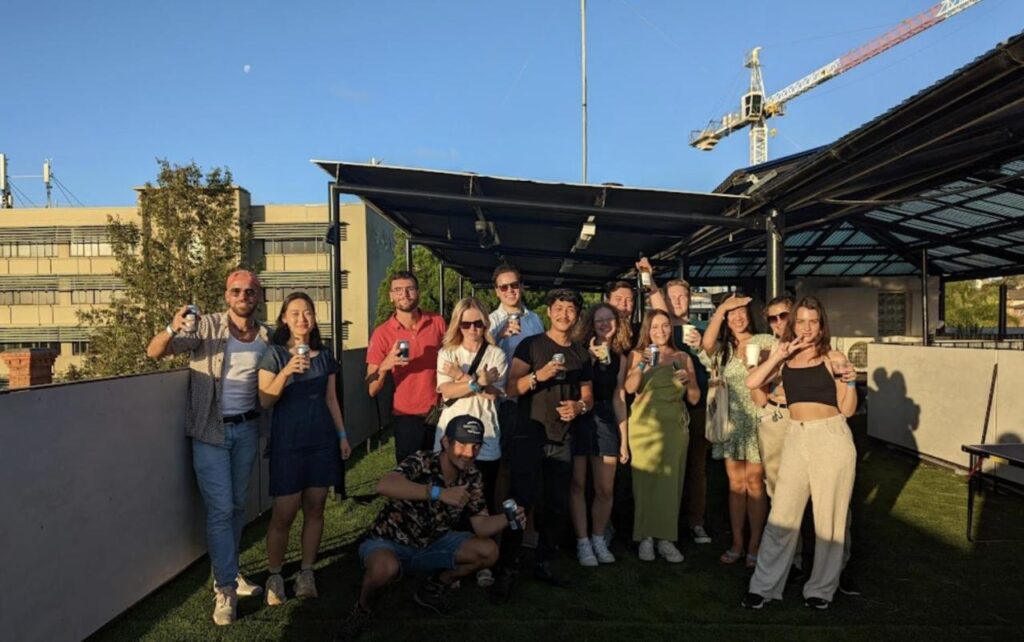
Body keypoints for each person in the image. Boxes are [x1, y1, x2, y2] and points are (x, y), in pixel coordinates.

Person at [144, 269, 270, 625]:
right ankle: (225, 590)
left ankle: (230, 571)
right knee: (221, 509)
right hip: (210, 432)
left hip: (247, 429)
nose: (243, 296)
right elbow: (155, 352)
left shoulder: (266, 335)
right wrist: (171, 327)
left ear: (258, 296)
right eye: (237, 290)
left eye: (250, 291)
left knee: (237, 506)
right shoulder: (206, 326)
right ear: (227, 296)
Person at [336, 416, 526, 640]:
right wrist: (437, 493)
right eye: (462, 444)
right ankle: (363, 608)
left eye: (475, 446)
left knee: (489, 551)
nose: (469, 452)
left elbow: (481, 526)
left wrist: (507, 518)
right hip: (389, 541)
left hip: (433, 543)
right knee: (383, 568)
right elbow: (384, 485)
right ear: (446, 442)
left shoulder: (473, 476)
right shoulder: (423, 460)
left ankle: (432, 589)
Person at [742, 297, 858, 610]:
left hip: (831, 437)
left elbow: (847, 409)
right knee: (782, 514)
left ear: (822, 326)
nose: (806, 327)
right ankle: (764, 586)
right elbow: (753, 382)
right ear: (793, 325)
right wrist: (779, 353)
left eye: (813, 321)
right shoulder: (783, 358)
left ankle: (820, 589)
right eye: (801, 321)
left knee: (828, 521)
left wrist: (852, 383)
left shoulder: (832, 357)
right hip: (795, 435)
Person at [257, 293, 352, 605]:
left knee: (315, 507)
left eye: (307, 312)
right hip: (287, 442)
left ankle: (306, 572)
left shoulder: (324, 357)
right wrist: (287, 372)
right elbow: (265, 400)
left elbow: (331, 399)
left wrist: (342, 435)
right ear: (284, 318)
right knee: (284, 512)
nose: (302, 318)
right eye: (295, 313)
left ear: (314, 318)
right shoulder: (274, 355)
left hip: (321, 441)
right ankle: (274, 575)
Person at [504, 288, 594, 589]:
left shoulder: (581, 352)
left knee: (556, 505)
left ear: (577, 315)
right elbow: (510, 388)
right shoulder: (530, 346)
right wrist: (537, 377)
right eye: (558, 308)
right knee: (521, 501)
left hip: (562, 439)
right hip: (528, 435)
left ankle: (544, 563)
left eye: (570, 309)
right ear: (548, 312)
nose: (563, 314)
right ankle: (509, 562)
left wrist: (578, 407)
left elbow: (588, 397)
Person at [434, 296, 508, 587]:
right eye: (467, 324)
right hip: (451, 436)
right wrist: (476, 381)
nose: (473, 329)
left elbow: (494, 393)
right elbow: (446, 391)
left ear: (486, 324)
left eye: (479, 323)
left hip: (485, 435)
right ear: (458, 325)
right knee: (451, 499)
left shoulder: (496, 354)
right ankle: (451, 556)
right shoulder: (447, 352)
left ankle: (483, 562)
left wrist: (463, 378)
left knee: (484, 499)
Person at [700, 294, 776, 569]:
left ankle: (755, 544)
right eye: (732, 313)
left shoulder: (766, 341)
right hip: (731, 422)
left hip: (757, 417)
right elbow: (706, 345)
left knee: (755, 485)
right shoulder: (723, 349)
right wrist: (722, 308)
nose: (738, 317)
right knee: (736, 485)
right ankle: (737, 543)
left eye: (742, 311)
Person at [624, 310, 700, 562]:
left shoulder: (682, 357)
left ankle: (666, 538)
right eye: (655, 326)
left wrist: (688, 381)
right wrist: (643, 364)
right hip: (643, 427)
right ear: (647, 329)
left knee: (671, 482)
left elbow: (695, 398)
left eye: (665, 326)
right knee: (645, 481)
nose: (661, 331)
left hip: (674, 427)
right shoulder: (637, 355)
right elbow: (630, 388)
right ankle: (645, 536)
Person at [569, 303, 630, 566]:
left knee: (605, 487)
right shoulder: (579, 352)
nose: (605, 324)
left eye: (609, 320)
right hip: (580, 418)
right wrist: (590, 360)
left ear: (617, 323)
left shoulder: (621, 357)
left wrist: (624, 440)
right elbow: (572, 386)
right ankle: (582, 542)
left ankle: (598, 537)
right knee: (578, 484)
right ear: (590, 325)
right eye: (599, 320)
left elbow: (619, 397)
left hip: (606, 418)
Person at [366, 271, 447, 464]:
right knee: (409, 474)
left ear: (418, 292)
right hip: (406, 416)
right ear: (391, 296)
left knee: (439, 469)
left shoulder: (437, 322)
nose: (405, 294)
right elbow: (371, 388)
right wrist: (385, 365)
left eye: (410, 289)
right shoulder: (382, 333)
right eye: (398, 290)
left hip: (439, 411)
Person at [663, 278, 713, 545]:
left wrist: (703, 345)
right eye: (672, 297)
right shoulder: (659, 330)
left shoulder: (703, 330)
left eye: (683, 296)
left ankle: (695, 521)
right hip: (666, 409)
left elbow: (715, 363)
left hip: (696, 407)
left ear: (691, 299)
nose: (678, 301)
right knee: (667, 467)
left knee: (696, 467)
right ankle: (665, 519)